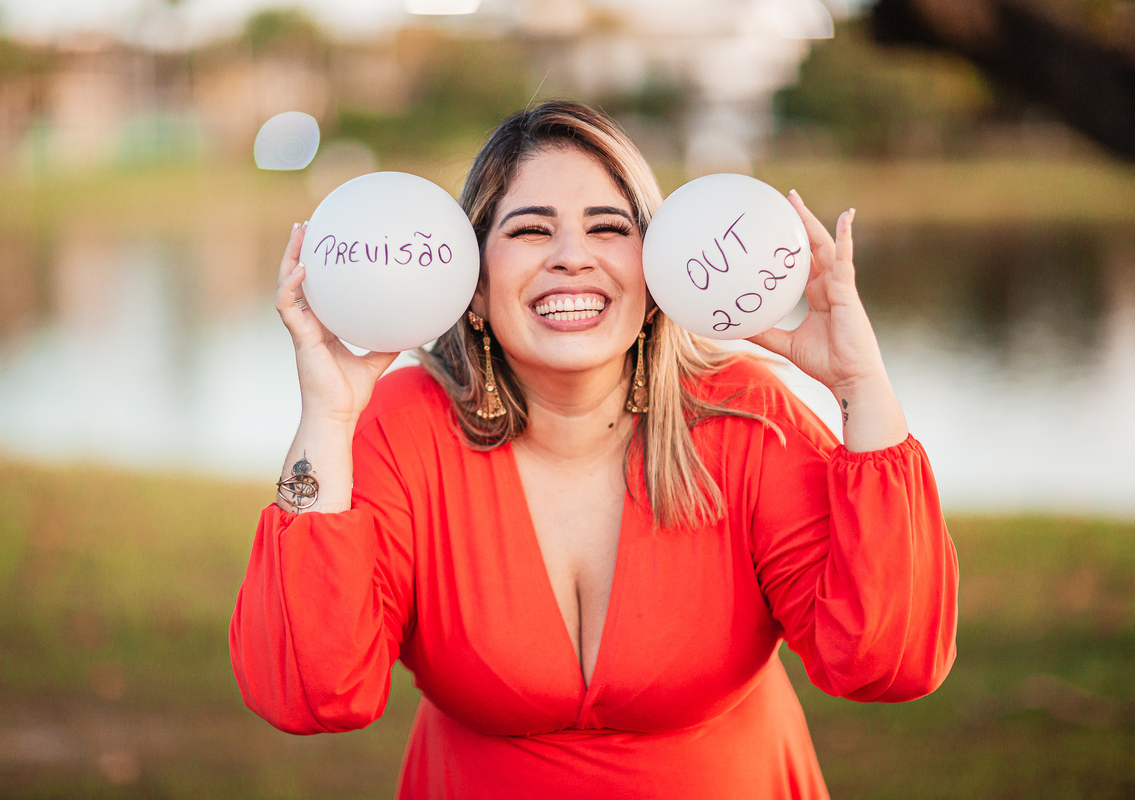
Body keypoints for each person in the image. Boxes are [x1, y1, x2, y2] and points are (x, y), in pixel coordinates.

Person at [229, 101, 958, 799]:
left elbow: (886, 661)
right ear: (473, 285)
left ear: (658, 268)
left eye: (609, 227)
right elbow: (309, 690)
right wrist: (327, 416)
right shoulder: (404, 426)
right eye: (531, 231)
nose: (573, 258)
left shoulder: (744, 417)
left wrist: (860, 385)